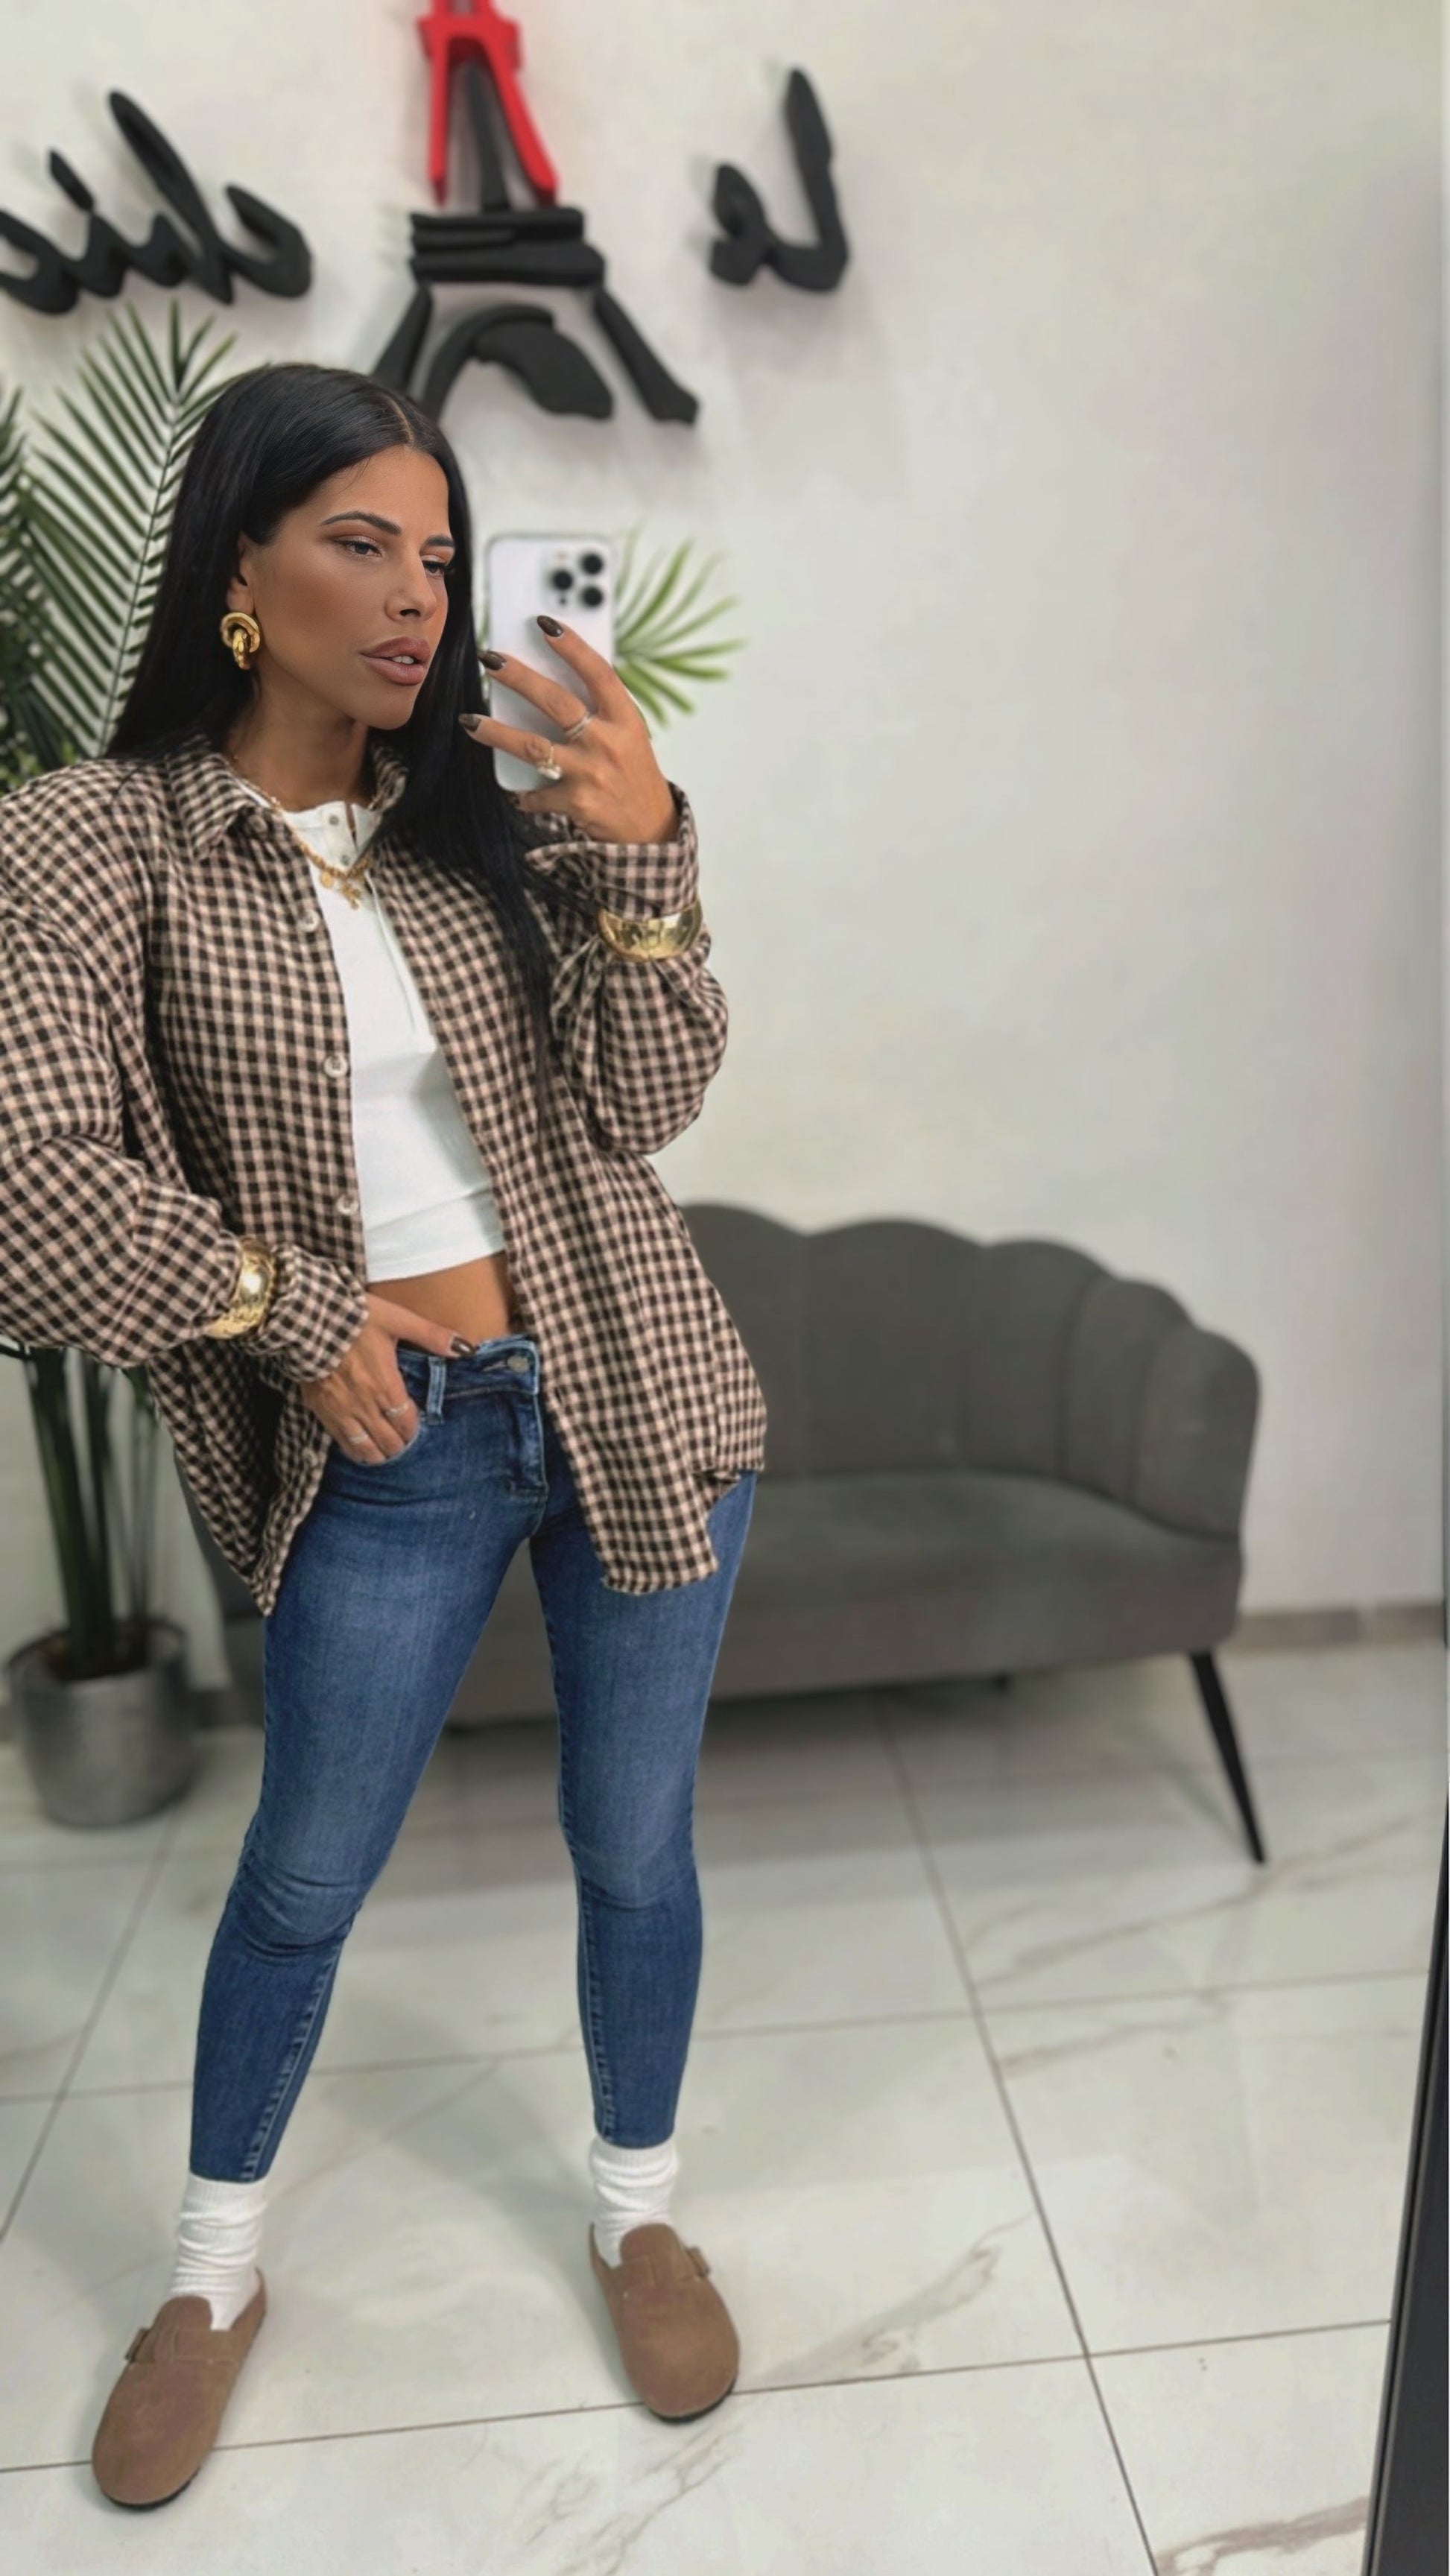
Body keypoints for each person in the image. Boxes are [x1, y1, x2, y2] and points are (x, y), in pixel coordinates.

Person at [0, 362, 767, 2510]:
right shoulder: (95, 840)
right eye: (361, 544)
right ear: (238, 567)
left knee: (636, 1848)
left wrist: (642, 853)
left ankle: (639, 2213)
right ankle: (210, 2276)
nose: (419, 596)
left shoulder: (491, 821)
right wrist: (286, 1305)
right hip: (385, 1437)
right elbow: (22, 1180)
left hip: (634, 1385)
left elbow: (648, 1098)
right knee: (302, 1878)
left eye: (439, 553)